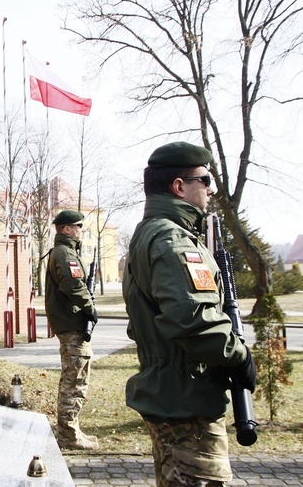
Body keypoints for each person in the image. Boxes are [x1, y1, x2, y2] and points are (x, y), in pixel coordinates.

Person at [122, 142, 257, 486]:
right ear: (179, 186)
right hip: (186, 404)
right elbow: (192, 320)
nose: (211, 189)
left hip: (177, 396)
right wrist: (239, 356)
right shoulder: (172, 239)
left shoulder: (153, 233)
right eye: (205, 179)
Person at [44, 209, 99, 450]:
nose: (81, 230)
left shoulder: (64, 252)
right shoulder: (65, 254)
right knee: (74, 380)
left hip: (71, 323)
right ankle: (68, 435)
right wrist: (91, 308)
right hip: (72, 324)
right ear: (66, 229)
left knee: (74, 377)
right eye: (78, 226)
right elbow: (74, 287)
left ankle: (71, 430)